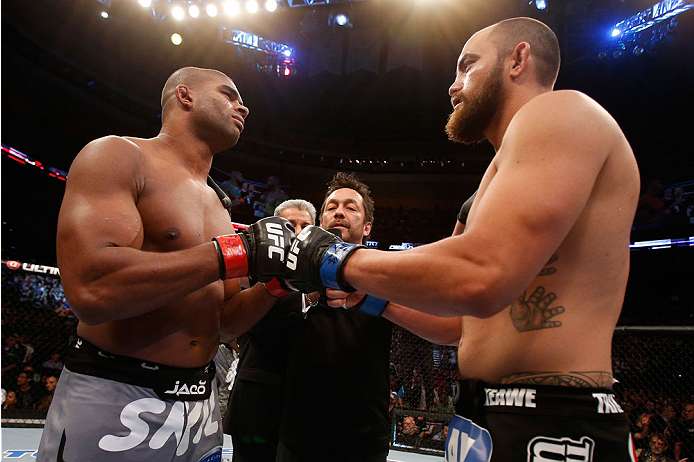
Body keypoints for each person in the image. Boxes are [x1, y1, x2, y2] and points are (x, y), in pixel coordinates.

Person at [285, 17, 640, 461]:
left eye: (466, 66)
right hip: (478, 414)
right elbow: (457, 323)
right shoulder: (488, 187)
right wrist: (369, 297)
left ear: (518, 59)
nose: (452, 87)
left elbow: (482, 274)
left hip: (555, 417)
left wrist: (332, 257)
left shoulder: (563, 112)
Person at [36, 66, 297, 461]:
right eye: (228, 94)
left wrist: (280, 282)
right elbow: (93, 288)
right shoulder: (118, 155)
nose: (242, 107)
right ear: (185, 95)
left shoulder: (219, 206)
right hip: (116, 393)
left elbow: (224, 324)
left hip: (202, 406)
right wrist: (234, 253)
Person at [278, 172, 458, 462]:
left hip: (362, 433)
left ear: (367, 227)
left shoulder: (385, 274)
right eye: (331, 207)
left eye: (351, 207)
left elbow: (448, 327)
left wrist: (370, 297)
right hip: (298, 431)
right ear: (319, 222)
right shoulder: (290, 274)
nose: (339, 212)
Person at [224, 199, 316, 462]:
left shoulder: (324, 274)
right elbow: (257, 323)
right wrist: (310, 297)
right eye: (290, 225)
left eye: (305, 226)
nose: (297, 232)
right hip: (257, 407)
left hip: (306, 411)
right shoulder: (254, 269)